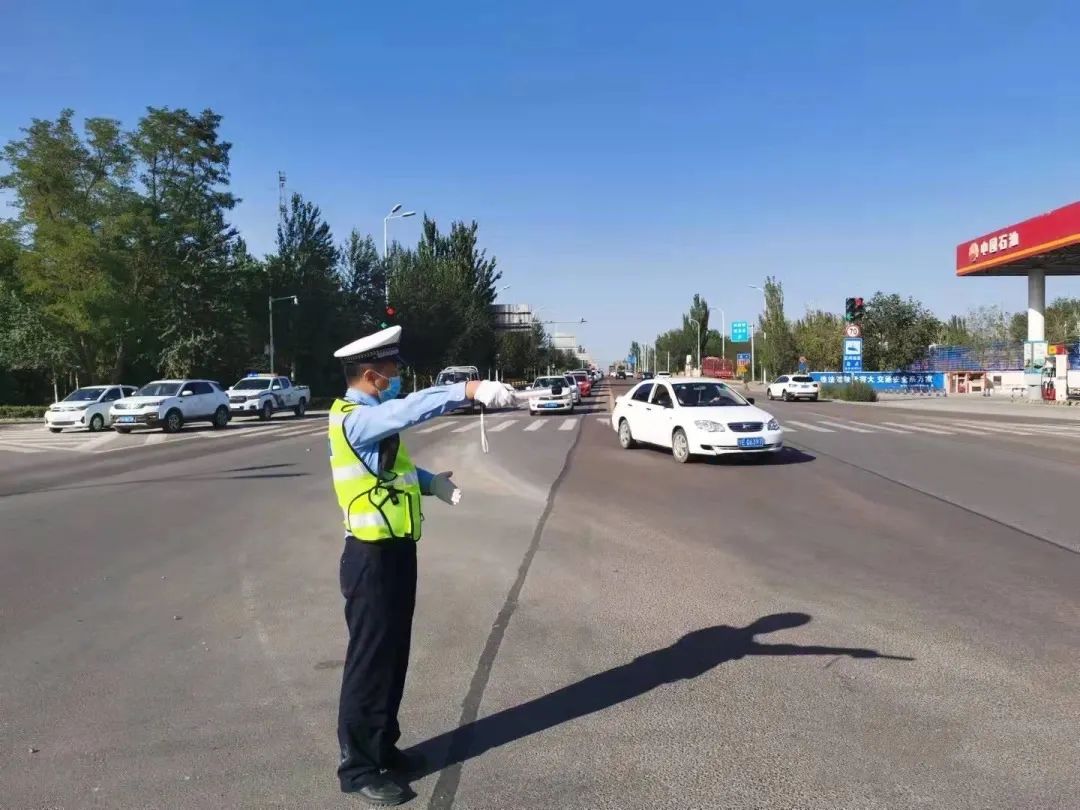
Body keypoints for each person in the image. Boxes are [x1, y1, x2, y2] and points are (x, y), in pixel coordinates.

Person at [328, 325, 515, 805]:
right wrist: (467, 389)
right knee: (370, 663)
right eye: (390, 371)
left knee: (392, 658)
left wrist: (431, 484)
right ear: (371, 375)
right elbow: (409, 410)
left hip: (395, 551)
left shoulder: (372, 420)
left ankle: (383, 748)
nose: (396, 377)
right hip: (369, 558)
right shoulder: (355, 418)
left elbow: (394, 470)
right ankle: (359, 768)